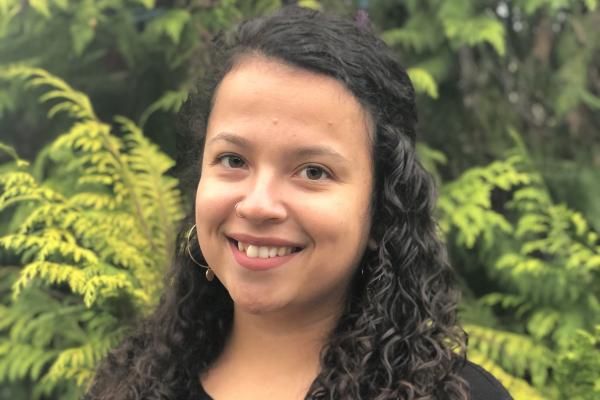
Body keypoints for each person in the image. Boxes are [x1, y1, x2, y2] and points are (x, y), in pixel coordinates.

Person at [87, 6, 513, 400]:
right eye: (233, 160)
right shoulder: (128, 387)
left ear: (381, 208)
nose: (257, 205)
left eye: (313, 171)